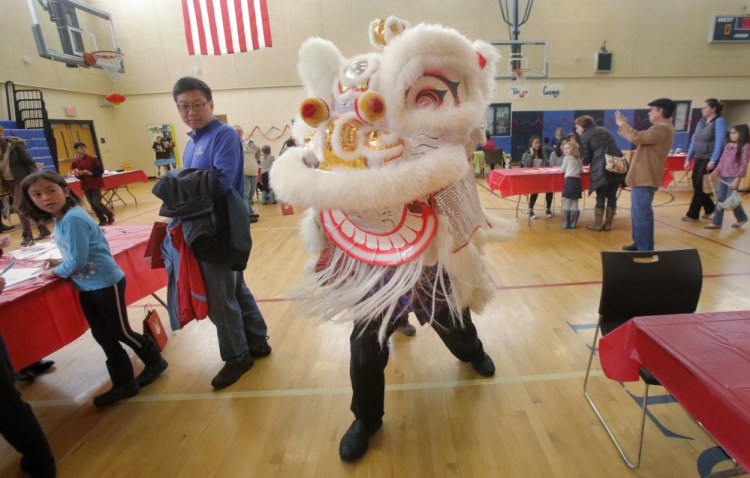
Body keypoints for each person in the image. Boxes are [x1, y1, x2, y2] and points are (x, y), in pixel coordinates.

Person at [18, 171, 168, 407]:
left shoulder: (73, 218)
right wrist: (61, 262)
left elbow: (77, 261)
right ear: (30, 200)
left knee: (120, 331)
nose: (45, 197)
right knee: (101, 333)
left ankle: (155, 362)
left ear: (65, 191)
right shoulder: (61, 218)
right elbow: (75, 253)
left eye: (51, 190)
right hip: (87, 285)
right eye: (37, 194)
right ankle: (124, 383)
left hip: (105, 283)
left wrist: (55, 271)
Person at [172, 76, 270, 389]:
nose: (191, 111)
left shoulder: (223, 135)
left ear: (211, 104)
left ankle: (237, 356)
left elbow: (221, 182)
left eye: (197, 104)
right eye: (183, 106)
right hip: (203, 227)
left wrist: (180, 185)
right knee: (235, 289)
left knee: (219, 298)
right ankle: (257, 341)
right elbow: (197, 183)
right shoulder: (191, 143)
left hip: (220, 229)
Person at [615, 98, 676, 251]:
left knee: (642, 214)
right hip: (643, 176)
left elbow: (637, 137)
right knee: (637, 213)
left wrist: (623, 124)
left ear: (660, 112)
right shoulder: (661, 128)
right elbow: (641, 136)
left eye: (652, 110)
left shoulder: (662, 128)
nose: (649, 113)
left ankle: (645, 247)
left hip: (646, 177)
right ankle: (639, 242)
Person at [575, 115, 626, 232]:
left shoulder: (585, 136)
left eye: (577, 127)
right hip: (616, 167)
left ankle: (597, 224)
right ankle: (608, 225)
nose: (577, 130)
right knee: (612, 196)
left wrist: (581, 160)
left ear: (583, 126)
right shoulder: (604, 130)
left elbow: (587, 158)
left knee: (601, 196)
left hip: (602, 168)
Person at [0, 130, 51, 246]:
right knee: (26, 206)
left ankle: (27, 235)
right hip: (8, 182)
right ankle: (43, 228)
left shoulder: (14, 146)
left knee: (18, 207)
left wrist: (34, 178)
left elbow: (29, 163)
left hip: (22, 179)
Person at [682, 98, 727, 222]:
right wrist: (688, 158)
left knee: (700, 185)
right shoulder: (701, 122)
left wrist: (714, 160)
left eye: (705, 107)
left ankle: (693, 214)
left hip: (709, 158)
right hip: (699, 157)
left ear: (713, 109)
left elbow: (720, 143)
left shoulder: (719, 121)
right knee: (696, 184)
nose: (702, 110)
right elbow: (694, 141)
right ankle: (710, 207)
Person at [705, 124, 749, 229]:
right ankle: (716, 222)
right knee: (720, 198)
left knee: (730, 200)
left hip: (733, 177)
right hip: (723, 175)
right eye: (731, 133)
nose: (731, 135)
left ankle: (741, 217)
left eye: (734, 133)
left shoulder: (745, 147)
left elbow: (743, 164)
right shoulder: (728, 146)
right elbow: (722, 160)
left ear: (741, 133)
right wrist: (716, 171)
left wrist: (737, 180)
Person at [71, 142, 114, 226]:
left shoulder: (93, 159)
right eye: (80, 148)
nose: (83, 149)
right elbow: (74, 172)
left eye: (84, 147)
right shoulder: (76, 161)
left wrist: (91, 173)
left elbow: (100, 170)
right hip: (85, 184)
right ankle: (102, 219)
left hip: (95, 183)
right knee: (91, 203)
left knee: (96, 202)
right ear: (76, 150)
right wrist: (79, 174)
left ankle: (109, 214)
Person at [521, 135, 553, 218]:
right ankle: (530, 209)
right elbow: (526, 166)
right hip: (530, 179)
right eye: (536, 143)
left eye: (539, 143)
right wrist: (531, 155)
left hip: (541, 178)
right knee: (536, 189)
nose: (538, 144)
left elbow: (547, 165)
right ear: (531, 144)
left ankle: (548, 209)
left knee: (550, 188)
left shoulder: (543, 155)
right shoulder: (526, 154)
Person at [233, 125, 260, 221]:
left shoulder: (248, 143)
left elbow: (258, 153)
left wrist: (257, 150)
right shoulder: (232, 144)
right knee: (245, 195)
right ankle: (246, 215)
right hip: (243, 173)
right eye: (236, 131)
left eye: (240, 131)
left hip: (253, 172)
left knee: (251, 195)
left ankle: (249, 211)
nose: (238, 132)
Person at [559, 141, 583, 229]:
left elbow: (562, 170)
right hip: (577, 182)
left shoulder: (567, 158)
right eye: (565, 148)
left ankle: (566, 222)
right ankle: (573, 223)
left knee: (567, 202)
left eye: (568, 148)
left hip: (569, 181)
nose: (566, 150)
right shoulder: (579, 159)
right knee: (575, 202)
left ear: (574, 149)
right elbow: (582, 171)